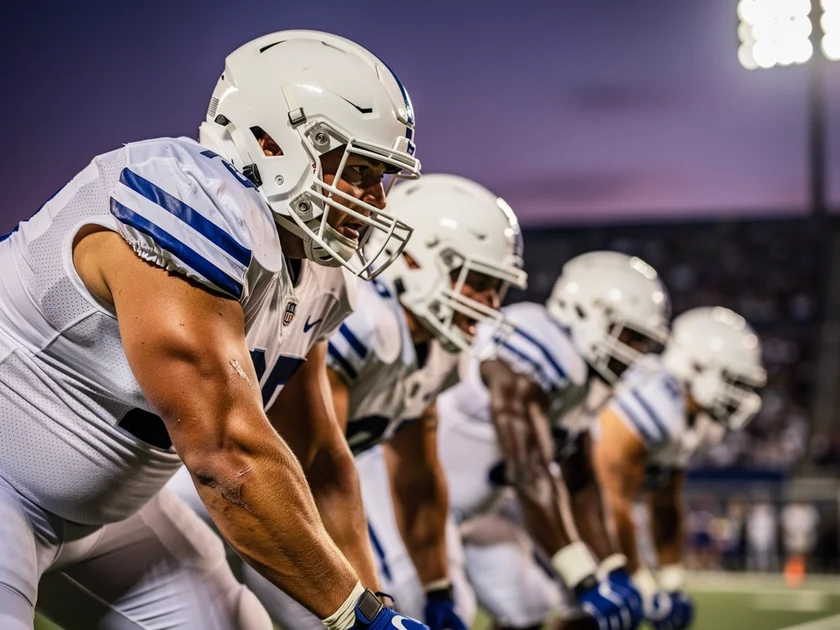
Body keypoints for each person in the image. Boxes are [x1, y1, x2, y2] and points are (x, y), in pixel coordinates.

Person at [0, 29, 430, 630]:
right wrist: (357, 621)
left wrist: (377, 609)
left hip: (109, 516)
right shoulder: (189, 200)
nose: (376, 202)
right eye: (357, 169)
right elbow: (227, 458)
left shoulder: (318, 276)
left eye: (382, 177)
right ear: (270, 143)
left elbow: (315, 457)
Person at [244, 173, 529, 629]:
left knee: (416, 599)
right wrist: (371, 603)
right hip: (245, 493)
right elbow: (314, 466)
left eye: (496, 288)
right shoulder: (364, 321)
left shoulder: (438, 351)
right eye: (477, 282)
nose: (490, 305)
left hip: (280, 494)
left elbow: (417, 474)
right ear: (415, 262)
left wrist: (439, 589)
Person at [436, 251, 671, 630]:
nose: (637, 354)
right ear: (586, 314)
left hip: (479, 511)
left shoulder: (583, 384)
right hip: (419, 500)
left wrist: (613, 567)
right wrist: (584, 578)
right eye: (631, 337)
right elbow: (530, 469)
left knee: (529, 605)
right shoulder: (534, 344)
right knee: (445, 612)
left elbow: (580, 482)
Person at [593, 306, 767, 630]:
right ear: (697, 366)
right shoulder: (653, 395)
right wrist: (641, 582)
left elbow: (664, 502)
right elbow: (609, 497)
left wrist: (672, 581)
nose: (738, 395)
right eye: (733, 381)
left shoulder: (696, 420)